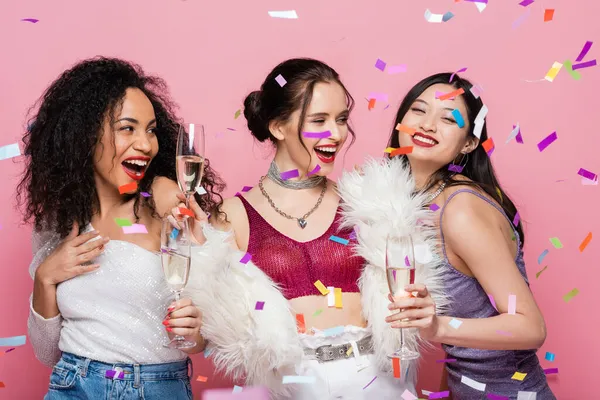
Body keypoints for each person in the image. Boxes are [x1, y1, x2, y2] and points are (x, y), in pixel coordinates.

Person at [184, 58, 445, 399]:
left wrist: (421, 307)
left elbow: (408, 293)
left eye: (341, 120)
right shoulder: (231, 217)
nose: (336, 134)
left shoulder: (367, 203)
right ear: (278, 126)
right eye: (319, 120)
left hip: (378, 381)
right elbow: (206, 335)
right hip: (293, 387)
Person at [17, 57, 225, 399]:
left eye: (151, 130)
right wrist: (45, 277)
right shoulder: (58, 223)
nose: (146, 144)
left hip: (157, 388)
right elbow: (46, 353)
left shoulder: (168, 208)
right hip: (72, 386)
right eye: (127, 128)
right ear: (84, 135)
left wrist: (193, 331)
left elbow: (200, 339)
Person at [382, 73, 556, 399]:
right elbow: (465, 349)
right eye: (418, 111)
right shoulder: (419, 204)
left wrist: (438, 327)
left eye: (448, 118)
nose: (428, 125)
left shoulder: (460, 208)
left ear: (468, 143)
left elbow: (531, 327)